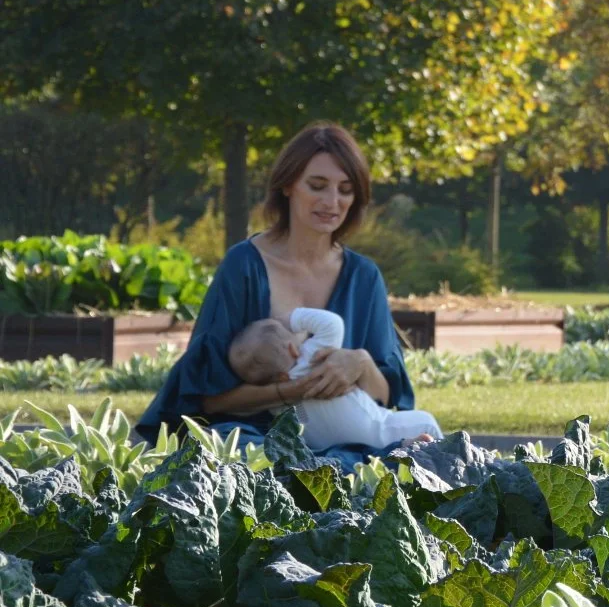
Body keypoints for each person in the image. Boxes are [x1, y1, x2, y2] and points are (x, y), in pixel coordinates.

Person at [136, 122, 420, 464]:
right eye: (317, 186)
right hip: (252, 438)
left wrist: (359, 364)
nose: (332, 202)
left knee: (418, 450)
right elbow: (207, 400)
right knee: (239, 454)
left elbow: (387, 398)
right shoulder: (244, 265)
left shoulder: (364, 276)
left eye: (345, 190)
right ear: (288, 185)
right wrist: (288, 392)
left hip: (348, 440)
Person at [227, 309, 443, 451]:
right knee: (426, 422)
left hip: (328, 447)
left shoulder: (276, 403)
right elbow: (332, 324)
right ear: (292, 348)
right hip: (376, 430)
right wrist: (292, 319)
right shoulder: (310, 358)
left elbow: (241, 409)